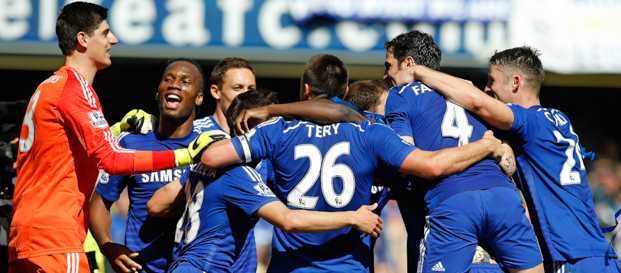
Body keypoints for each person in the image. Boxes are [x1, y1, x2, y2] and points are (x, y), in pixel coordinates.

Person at [198, 54, 507, 273]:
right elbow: (431, 165)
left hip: (289, 265)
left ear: (305, 90)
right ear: (345, 93)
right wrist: (485, 145)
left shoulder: (277, 129)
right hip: (350, 265)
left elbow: (211, 157)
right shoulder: (372, 130)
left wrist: (272, 112)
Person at [9, 3, 214, 272]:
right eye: (105, 33)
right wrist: (184, 156)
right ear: (83, 39)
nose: (113, 40)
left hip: (27, 234)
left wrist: (114, 129)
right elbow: (112, 159)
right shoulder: (76, 89)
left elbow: (64, 148)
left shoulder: (48, 86)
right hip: (55, 238)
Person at [395, 45, 621, 272]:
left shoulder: (529, 122)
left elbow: (478, 103)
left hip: (570, 257)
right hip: (600, 256)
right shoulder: (558, 119)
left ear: (515, 83)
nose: (487, 88)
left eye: (491, 81)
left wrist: (418, 72)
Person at [147, 89, 384, 273]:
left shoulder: (202, 167)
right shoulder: (238, 174)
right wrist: (353, 217)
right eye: (269, 125)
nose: (278, 133)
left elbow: (156, 205)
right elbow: (288, 220)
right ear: (248, 127)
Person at [382, 30, 543, 273]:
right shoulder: (469, 92)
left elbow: (405, 160)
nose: (386, 75)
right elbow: (507, 161)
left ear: (409, 63)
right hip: (504, 197)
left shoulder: (400, 95)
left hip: (453, 201)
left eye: (389, 66)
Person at [90, 58, 209, 273]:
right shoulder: (130, 142)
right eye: (168, 79)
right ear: (158, 93)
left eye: (185, 81)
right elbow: (99, 202)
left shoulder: (209, 149)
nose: (174, 84)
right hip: (140, 268)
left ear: (199, 98)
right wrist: (107, 246)